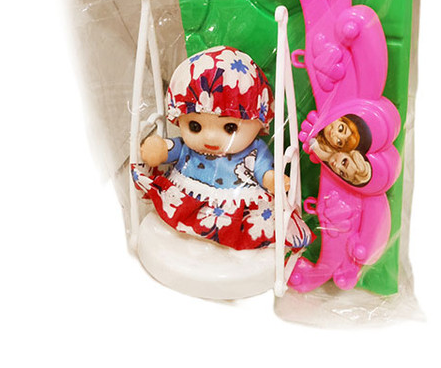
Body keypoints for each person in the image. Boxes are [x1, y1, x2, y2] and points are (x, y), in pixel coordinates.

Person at [133, 46, 312, 251]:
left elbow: (262, 169)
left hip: (234, 209)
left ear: (259, 122)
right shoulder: (186, 147)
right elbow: (170, 149)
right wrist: (159, 149)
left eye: (230, 128)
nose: (210, 138)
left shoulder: (254, 150)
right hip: (186, 196)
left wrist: (270, 178)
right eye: (195, 126)